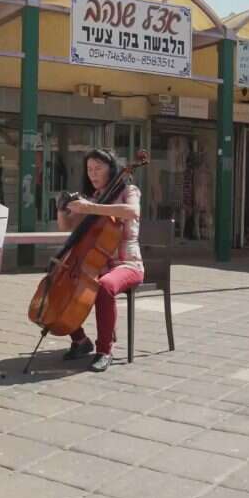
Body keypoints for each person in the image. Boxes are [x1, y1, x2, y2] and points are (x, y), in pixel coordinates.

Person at [57, 148, 143, 373]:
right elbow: (66, 226)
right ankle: (80, 340)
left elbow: (132, 211)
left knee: (105, 286)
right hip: (97, 265)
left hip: (128, 265)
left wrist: (92, 208)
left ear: (111, 168)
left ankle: (104, 351)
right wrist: (61, 208)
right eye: (89, 170)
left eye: (98, 168)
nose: (93, 174)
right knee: (63, 283)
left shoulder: (128, 190)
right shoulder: (93, 198)